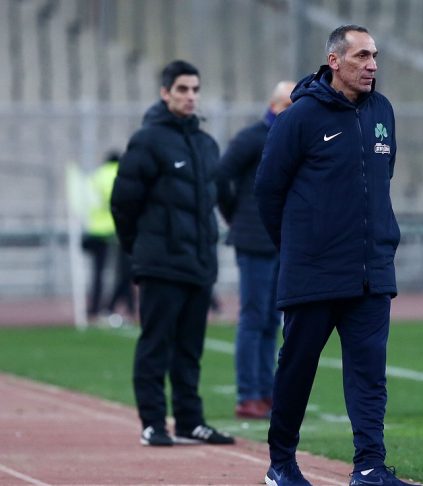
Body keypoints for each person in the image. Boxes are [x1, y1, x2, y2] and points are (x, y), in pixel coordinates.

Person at [255, 25, 417, 486]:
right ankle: (281, 464)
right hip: (314, 270)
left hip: (372, 272)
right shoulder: (299, 118)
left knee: (370, 377)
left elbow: (382, 177)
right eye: (362, 56)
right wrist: (298, 248)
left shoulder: (383, 110)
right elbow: (267, 190)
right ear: (334, 61)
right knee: (297, 369)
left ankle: (369, 466)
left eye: (375, 56)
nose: (372, 65)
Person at [111, 60, 234, 447]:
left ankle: (189, 421)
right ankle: (152, 423)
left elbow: (213, 202)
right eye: (182, 89)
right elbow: (123, 202)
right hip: (160, 263)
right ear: (165, 93)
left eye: (195, 89)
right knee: (155, 345)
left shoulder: (206, 144)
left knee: (190, 350)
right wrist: (138, 250)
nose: (190, 96)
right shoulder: (148, 140)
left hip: (199, 264)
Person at [218, 81, 295, 420]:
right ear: (276, 105)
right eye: (291, 105)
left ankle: (265, 392)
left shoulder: (291, 139)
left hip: (281, 240)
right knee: (253, 318)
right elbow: (220, 177)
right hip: (254, 240)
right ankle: (247, 394)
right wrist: (236, 217)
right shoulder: (252, 138)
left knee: (270, 320)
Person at [81, 150, 120, 321]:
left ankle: (95, 307)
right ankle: (112, 306)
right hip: (114, 230)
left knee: (97, 272)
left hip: (95, 229)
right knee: (122, 272)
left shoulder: (96, 176)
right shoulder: (118, 174)